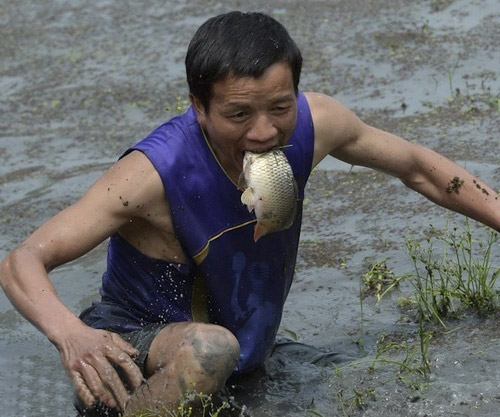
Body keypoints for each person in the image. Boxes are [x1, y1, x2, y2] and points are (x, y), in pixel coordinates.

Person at [1, 10, 498, 417]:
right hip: (141, 356)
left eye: (279, 108)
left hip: (243, 358)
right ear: (198, 107)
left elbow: (421, 169)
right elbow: (21, 260)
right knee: (211, 350)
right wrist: (72, 336)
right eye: (238, 115)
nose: (264, 133)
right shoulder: (148, 176)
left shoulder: (316, 123)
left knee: (229, 354)